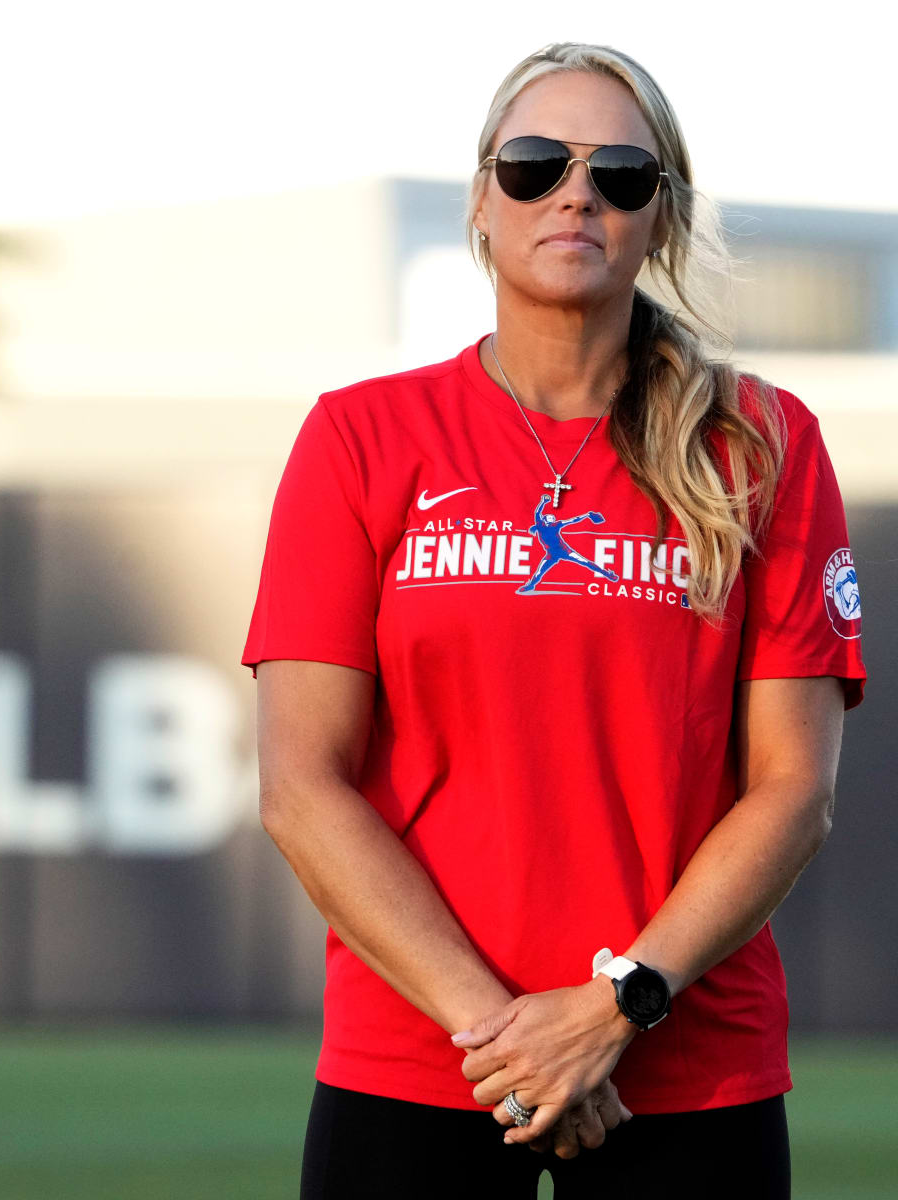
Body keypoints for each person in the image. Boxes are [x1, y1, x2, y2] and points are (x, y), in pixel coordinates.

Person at [240, 41, 867, 1199]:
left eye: (621, 173)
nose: (575, 191)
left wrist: (617, 1008)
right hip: (426, 1059)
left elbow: (795, 790)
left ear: (660, 218)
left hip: (684, 1066)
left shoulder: (764, 445)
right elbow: (300, 785)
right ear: (482, 200)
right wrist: (510, 1040)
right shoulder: (360, 438)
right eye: (534, 164)